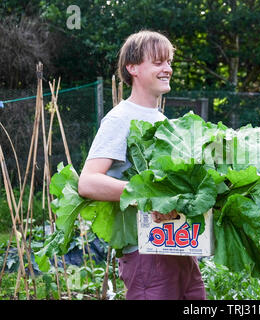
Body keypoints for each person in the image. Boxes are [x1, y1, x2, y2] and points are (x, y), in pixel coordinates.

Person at [78, 30, 206, 300]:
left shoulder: (162, 121)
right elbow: (88, 182)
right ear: (132, 68)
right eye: (158, 62)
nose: (167, 69)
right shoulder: (120, 118)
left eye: (169, 62)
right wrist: (148, 195)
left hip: (179, 246)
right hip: (146, 253)